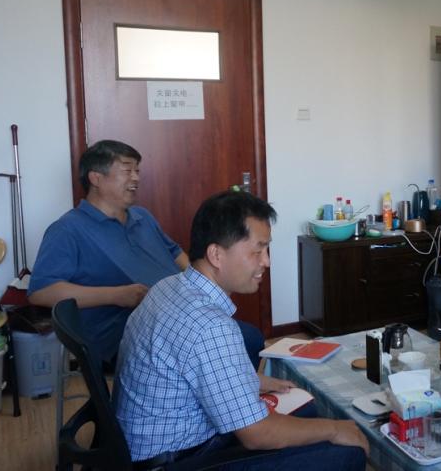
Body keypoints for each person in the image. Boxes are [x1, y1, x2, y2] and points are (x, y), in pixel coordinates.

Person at [115, 190, 368, 469]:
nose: (266, 262)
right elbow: (257, 434)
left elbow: (195, 367)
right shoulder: (210, 325)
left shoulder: (169, 286)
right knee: (346, 451)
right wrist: (334, 428)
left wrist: (251, 381)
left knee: (306, 411)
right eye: (257, 251)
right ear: (216, 254)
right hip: (176, 459)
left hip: (149, 441)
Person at [28, 140, 264, 367]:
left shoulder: (143, 216)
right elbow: (41, 292)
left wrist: (202, 285)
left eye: (137, 171)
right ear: (96, 178)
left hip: (176, 313)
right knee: (245, 339)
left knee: (239, 335)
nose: (136, 178)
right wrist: (116, 295)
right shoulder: (68, 229)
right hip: (126, 333)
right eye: (127, 170)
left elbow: (175, 253)